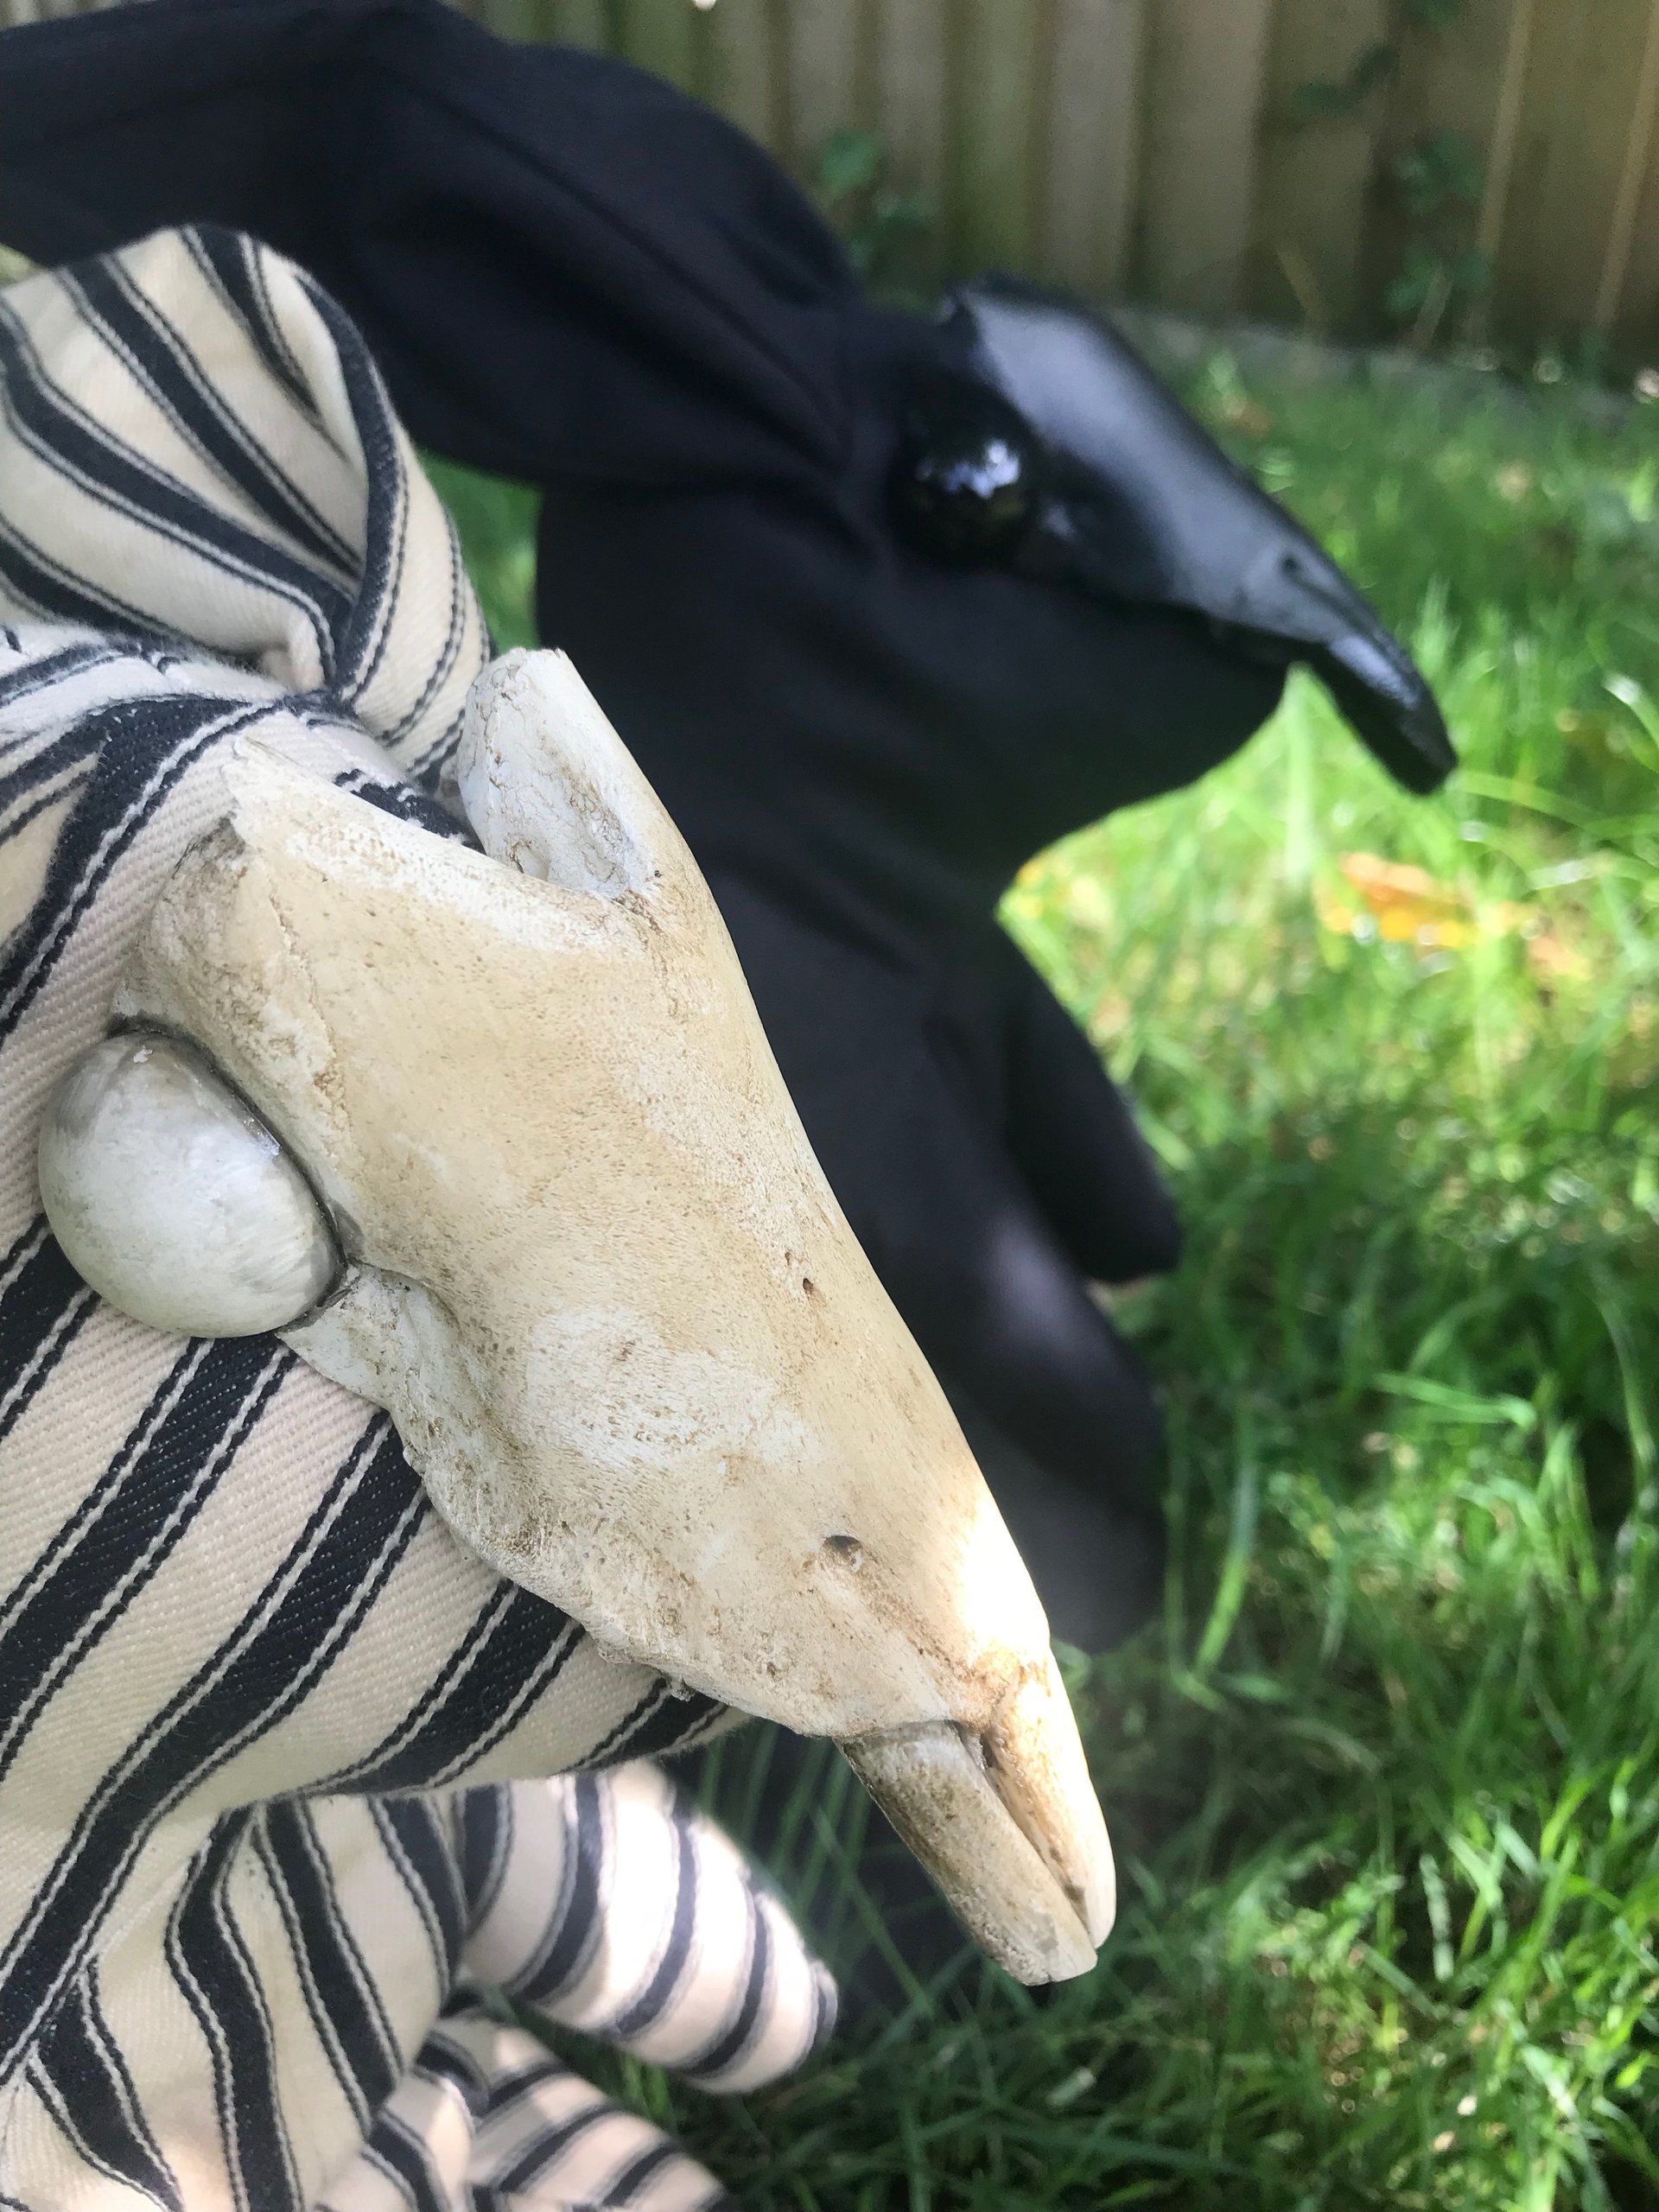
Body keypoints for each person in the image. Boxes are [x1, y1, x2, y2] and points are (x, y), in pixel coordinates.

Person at [0, 0, 1453, 1654]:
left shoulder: (880, 897)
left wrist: (1119, 1213)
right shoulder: (768, 1008)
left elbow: (1007, 1056)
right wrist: (1103, 1448)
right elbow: (954, 1275)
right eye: (972, 497)